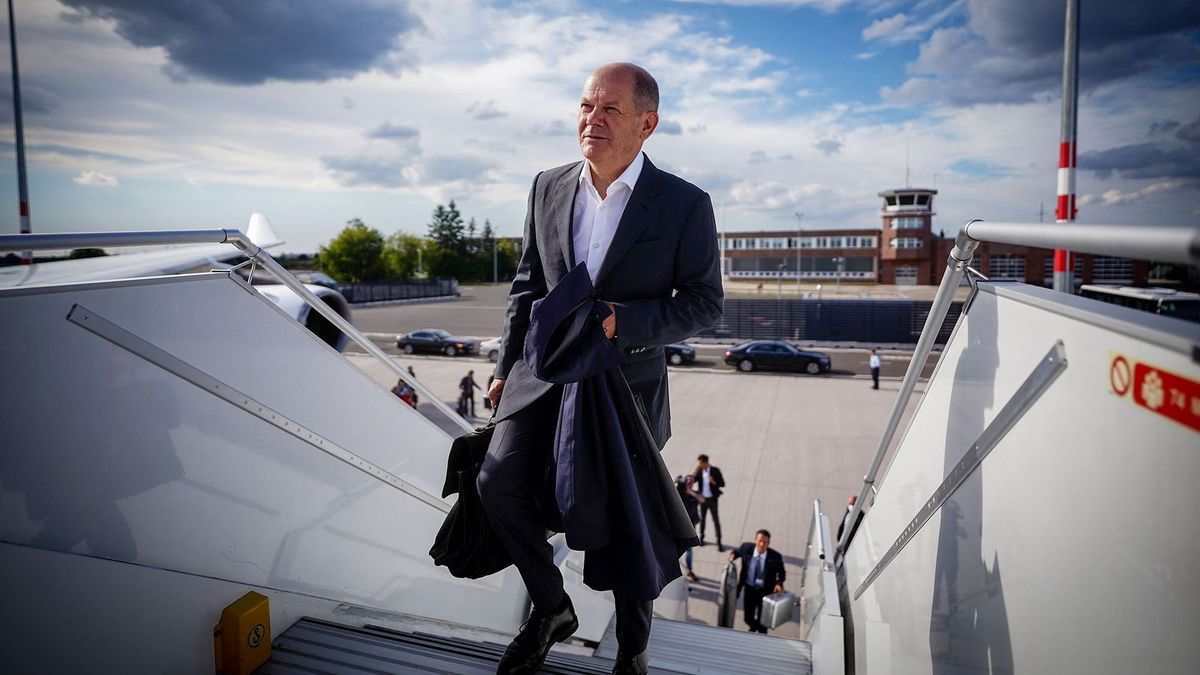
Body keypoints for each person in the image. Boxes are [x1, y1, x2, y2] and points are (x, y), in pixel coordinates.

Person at [477, 62, 723, 675]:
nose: (593, 120)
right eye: (586, 106)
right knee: (496, 483)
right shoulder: (547, 185)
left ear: (648, 123)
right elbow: (528, 285)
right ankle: (552, 608)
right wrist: (507, 365)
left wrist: (623, 320)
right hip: (547, 373)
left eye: (610, 109)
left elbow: (703, 303)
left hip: (624, 383)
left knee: (624, 522)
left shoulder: (685, 205)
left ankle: (633, 651)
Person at [728, 529, 786, 634]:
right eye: (760, 541)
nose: (762, 544)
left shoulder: (775, 557)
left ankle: (761, 634)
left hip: (766, 592)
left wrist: (779, 583)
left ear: (769, 543)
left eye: (765, 542)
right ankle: (754, 627)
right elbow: (736, 552)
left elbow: (781, 573)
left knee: (763, 620)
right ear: (755, 540)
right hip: (750, 589)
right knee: (747, 618)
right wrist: (732, 556)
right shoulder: (746, 548)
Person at [691, 454, 724, 551]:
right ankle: (701, 538)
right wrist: (695, 472)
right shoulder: (700, 471)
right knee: (703, 519)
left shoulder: (715, 470)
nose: (699, 465)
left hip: (712, 500)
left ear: (705, 462)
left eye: (700, 463)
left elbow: (722, 484)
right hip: (703, 499)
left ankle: (719, 542)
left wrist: (713, 482)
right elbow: (691, 481)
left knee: (716, 520)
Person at [675, 474, 702, 582]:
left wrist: (690, 492)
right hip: (679, 527)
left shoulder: (694, 494)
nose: (689, 483)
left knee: (689, 551)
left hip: (690, 527)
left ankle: (689, 571)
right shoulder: (679, 494)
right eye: (688, 481)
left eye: (691, 481)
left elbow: (702, 499)